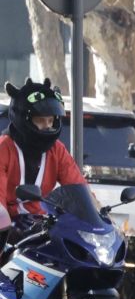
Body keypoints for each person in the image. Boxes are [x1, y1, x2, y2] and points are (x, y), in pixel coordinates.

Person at [0, 79, 85, 226]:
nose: (47, 126)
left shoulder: (57, 149)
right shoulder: (4, 147)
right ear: (24, 119)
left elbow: (77, 185)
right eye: (40, 120)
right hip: (7, 228)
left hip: (39, 224)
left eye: (50, 120)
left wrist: (98, 212)